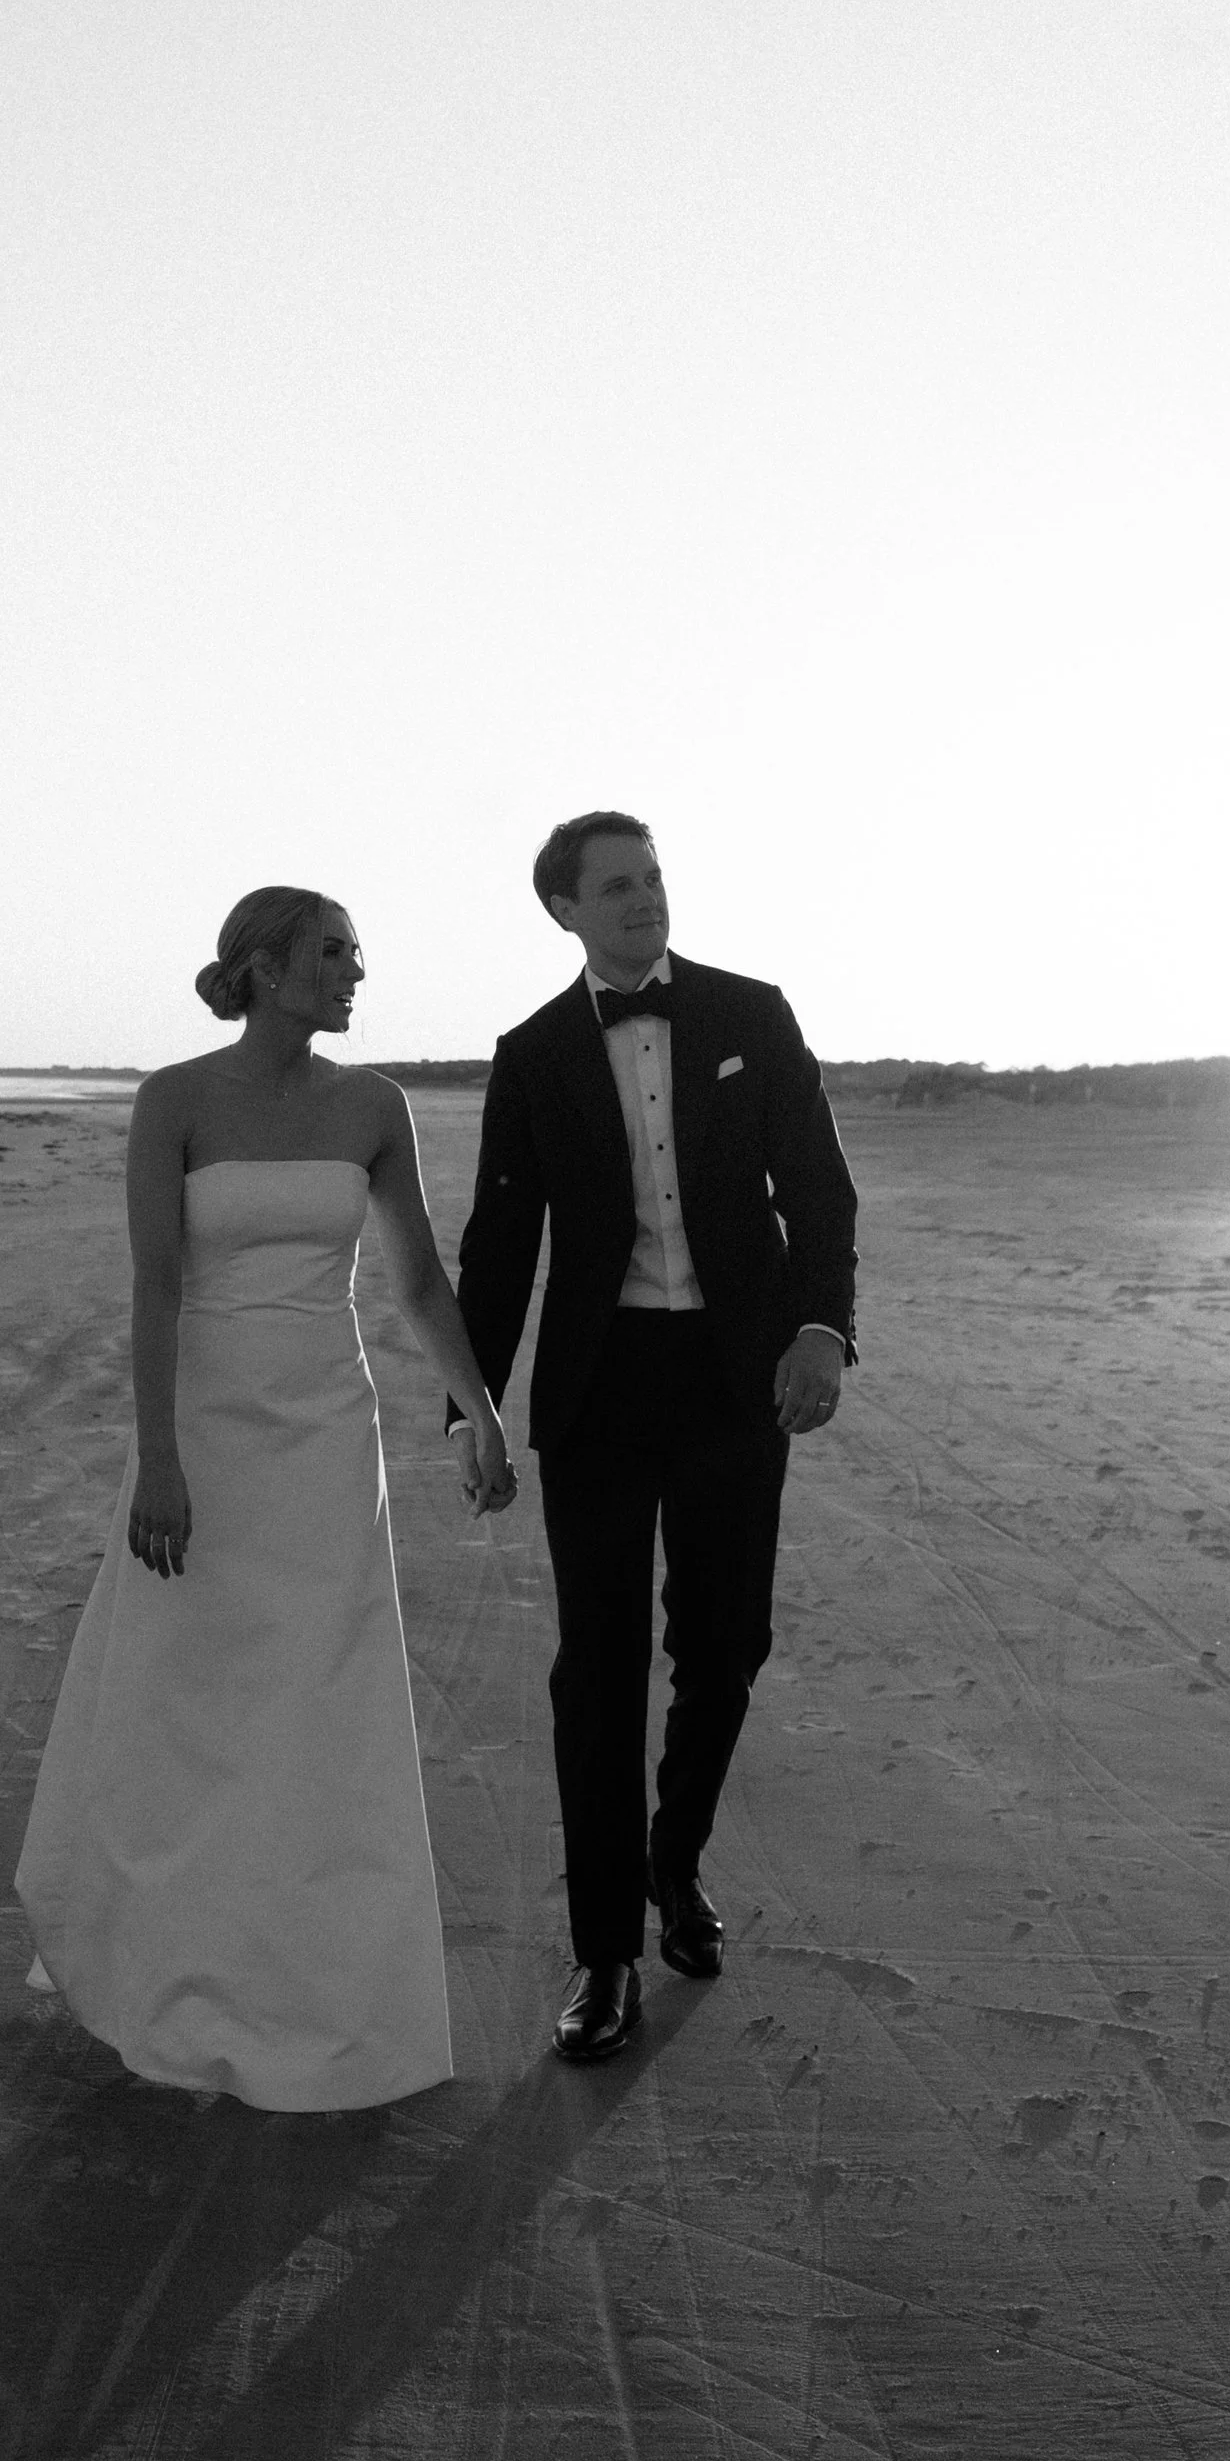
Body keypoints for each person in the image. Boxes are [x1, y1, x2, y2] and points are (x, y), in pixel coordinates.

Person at [17, 884, 519, 2110]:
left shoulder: (372, 1105)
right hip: (204, 1429)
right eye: (336, 951)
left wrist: (481, 1413)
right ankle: (165, 1957)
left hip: (325, 1432)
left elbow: (416, 1284)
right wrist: (161, 1459)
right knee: (185, 1690)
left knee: (322, 1691)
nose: (356, 971)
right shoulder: (174, 1099)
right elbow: (155, 1290)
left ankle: (325, 1982)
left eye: (356, 953)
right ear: (265, 965)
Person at [454, 813, 857, 2062]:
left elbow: (820, 1189)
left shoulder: (751, 1012)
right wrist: (471, 1408)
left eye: (654, 878)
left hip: (739, 1375)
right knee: (601, 1663)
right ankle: (603, 1951)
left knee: (727, 1641)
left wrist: (822, 1331)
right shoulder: (530, 1054)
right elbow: (501, 1242)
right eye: (615, 886)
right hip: (601, 1387)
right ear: (565, 910)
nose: (644, 899)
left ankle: (670, 1862)